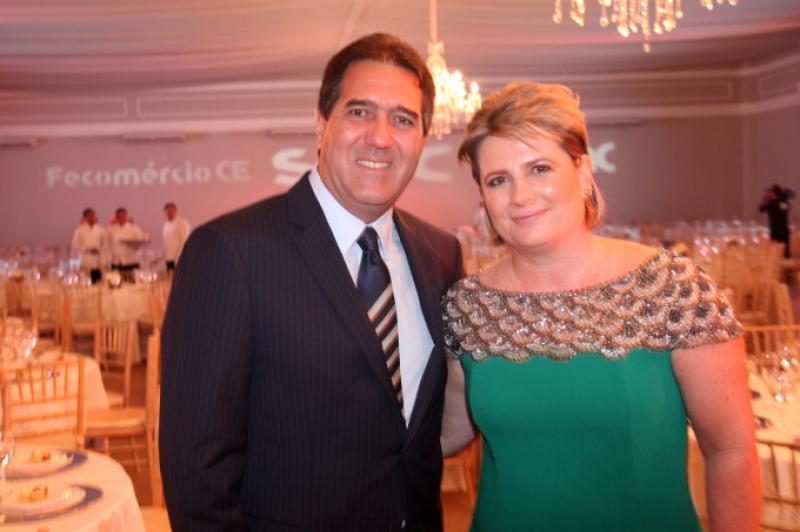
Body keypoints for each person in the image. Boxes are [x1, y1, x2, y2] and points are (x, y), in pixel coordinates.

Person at [160, 33, 463, 531]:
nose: (381, 137)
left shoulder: (441, 256)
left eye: (403, 120)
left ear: (423, 139)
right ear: (322, 123)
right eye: (360, 112)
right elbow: (197, 469)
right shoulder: (230, 252)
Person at [441, 82, 761, 532]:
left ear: (583, 171)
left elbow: (731, 450)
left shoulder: (671, 288)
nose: (520, 196)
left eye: (539, 168)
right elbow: (446, 433)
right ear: (483, 196)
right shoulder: (467, 307)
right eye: (498, 180)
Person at [107, 207, 148, 280]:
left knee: (132, 281)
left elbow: (141, 241)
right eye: (120, 216)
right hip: (117, 261)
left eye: (124, 216)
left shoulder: (134, 228)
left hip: (131, 260)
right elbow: (108, 245)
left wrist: (134, 244)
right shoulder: (111, 230)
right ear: (116, 217)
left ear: (126, 216)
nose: (122, 218)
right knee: (117, 282)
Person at [70, 207, 106, 284]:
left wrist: (99, 251)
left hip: (97, 262)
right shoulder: (79, 230)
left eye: (93, 215)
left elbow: (105, 245)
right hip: (85, 261)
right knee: (86, 283)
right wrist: (88, 249)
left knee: (98, 283)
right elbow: (75, 245)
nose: (92, 217)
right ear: (85, 217)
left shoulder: (101, 230)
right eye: (89, 215)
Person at [759, 184, 793, 257]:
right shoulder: (780, 202)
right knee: (784, 252)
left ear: (773, 193)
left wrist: (765, 199)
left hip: (776, 230)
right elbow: (788, 208)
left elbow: (760, 209)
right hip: (782, 230)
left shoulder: (772, 203)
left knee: (775, 251)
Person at [162, 202, 191, 274]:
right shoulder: (166, 225)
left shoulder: (182, 223)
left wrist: (179, 258)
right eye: (167, 212)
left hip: (179, 259)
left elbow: (185, 241)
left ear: (175, 211)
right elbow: (166, 243)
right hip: (169, 259)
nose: (169, 214)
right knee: (169, 279)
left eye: (170, 212)